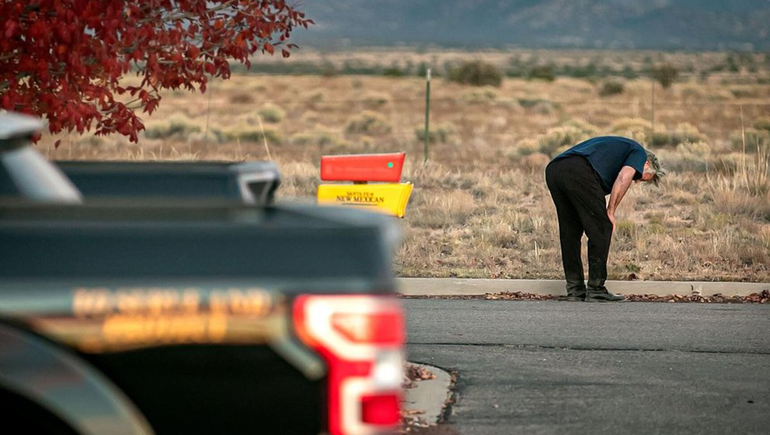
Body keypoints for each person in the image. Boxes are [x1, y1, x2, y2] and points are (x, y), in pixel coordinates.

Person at [545, 136, 665, 302]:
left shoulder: (618, 151)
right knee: (602, 227)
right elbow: (624, 177)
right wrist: (611, 211)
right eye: (641, 177)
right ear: (647, 164)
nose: (636, 181)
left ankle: (575, 290)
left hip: (555, 169)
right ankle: (596, 289)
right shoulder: (638, 153)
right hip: (578, 170)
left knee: (570, 232)